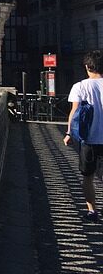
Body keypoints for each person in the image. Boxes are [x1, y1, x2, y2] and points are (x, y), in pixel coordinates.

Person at [65, 49, 103, 222]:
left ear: (87, 67)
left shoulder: (80, 86)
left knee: (88, 177)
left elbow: (74, 112)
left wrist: (68, 133)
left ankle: (92, 212)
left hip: (88, 139)